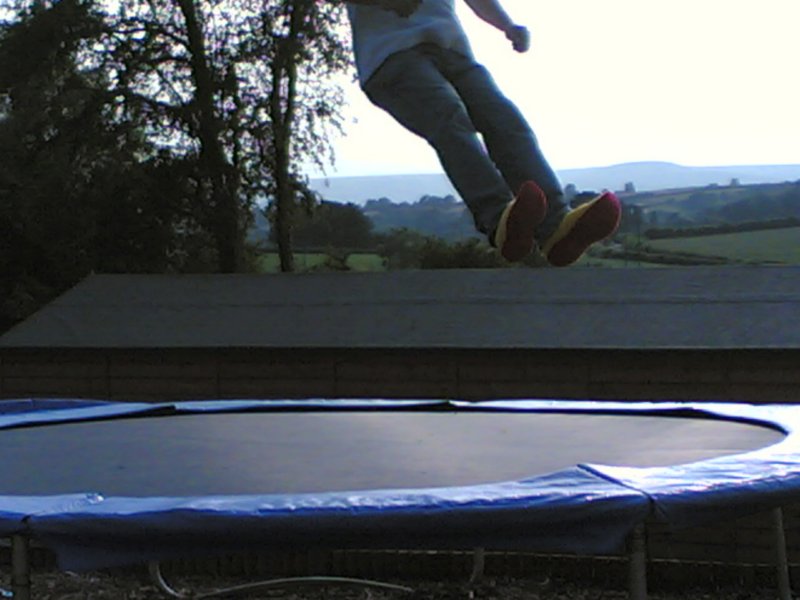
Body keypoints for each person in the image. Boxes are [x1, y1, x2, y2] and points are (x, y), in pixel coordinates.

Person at [344, 0, 621, 265]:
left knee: (506, 122)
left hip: (452, 50)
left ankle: (557, 227)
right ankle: (498, 217)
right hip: (390, 57)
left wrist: (507, 25)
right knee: (448, 118)